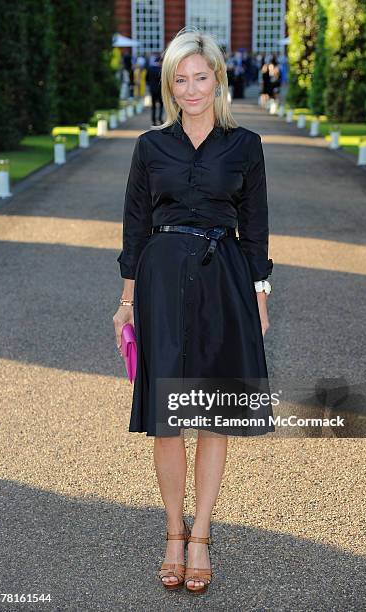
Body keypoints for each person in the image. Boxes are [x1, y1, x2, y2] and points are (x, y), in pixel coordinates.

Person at [113, 28, 275, 595]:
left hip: (225, 281)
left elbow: (255, 229)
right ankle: (171, 533)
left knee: (210, 412)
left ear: (217, 80)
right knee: (168, 417)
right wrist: (127, 302)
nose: (190, 88)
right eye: (179, 79)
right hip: (159, 282)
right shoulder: (149, 146)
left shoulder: (245, 145)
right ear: (169, 85)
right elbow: (134, 229)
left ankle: (201, 532)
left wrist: (259, 298)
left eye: (199, 77)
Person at [146, 55, 164, 126]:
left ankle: (153, 120)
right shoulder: (162, 69)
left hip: (152, 89)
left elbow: (146, 79)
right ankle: (160, 119)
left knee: (153, 105)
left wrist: (150, 85)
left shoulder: (150, 69)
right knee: (161, 105)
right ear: (160, 62)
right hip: (160, 90)